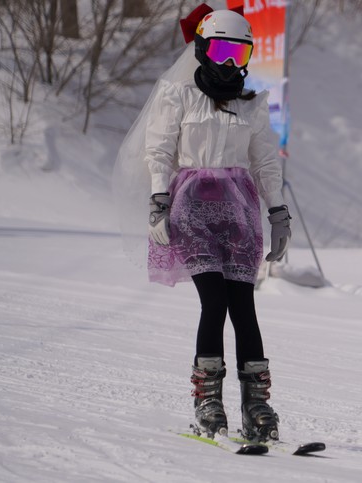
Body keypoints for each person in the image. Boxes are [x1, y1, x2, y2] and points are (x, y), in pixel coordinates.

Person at [121, 7, 291, 443]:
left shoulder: (252, 103)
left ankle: (257, 407)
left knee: (244, 307)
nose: (230, 63)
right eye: (220, 50)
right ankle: (207, 403)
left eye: (239, 53)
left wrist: (278, 212)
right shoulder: (177, 95)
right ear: (201, 50)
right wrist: (159, 200)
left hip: (239, 212)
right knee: (214, 301)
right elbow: (158, 149)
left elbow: (266, 161)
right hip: (191, 205)